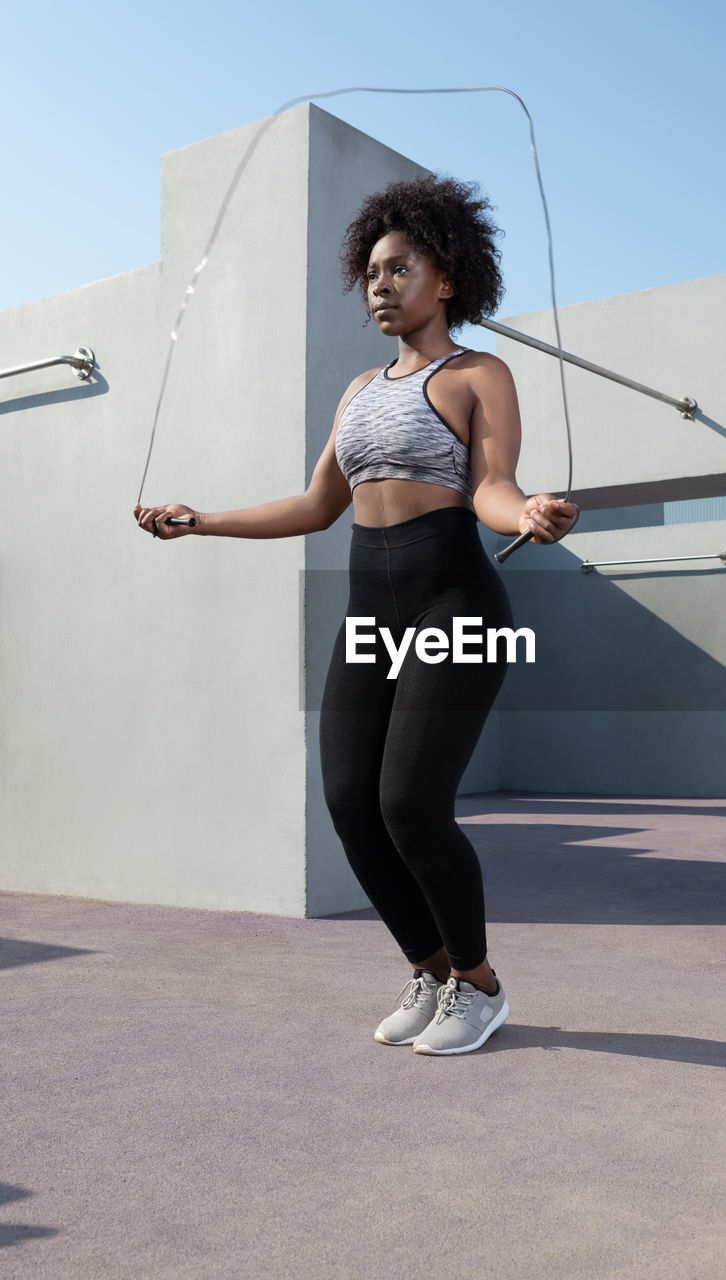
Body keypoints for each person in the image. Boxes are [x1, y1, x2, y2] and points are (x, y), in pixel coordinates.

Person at [134, 174, 578, 1055]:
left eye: (398, 268)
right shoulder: (357, 392)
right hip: (370, 609)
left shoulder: (477, 373)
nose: (379, 284)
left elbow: (489, 486)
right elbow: (313, 505)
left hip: (451, 599)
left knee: (411, 801)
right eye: (370, 271)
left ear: (444, 277)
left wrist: (526, 513)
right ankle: (431, 967)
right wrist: (203, 520)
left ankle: (480, 987)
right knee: (348, 802)